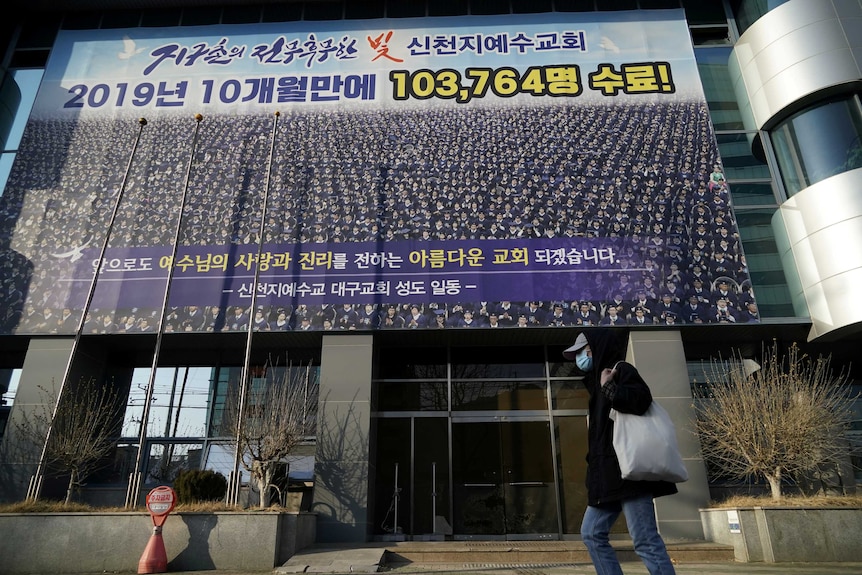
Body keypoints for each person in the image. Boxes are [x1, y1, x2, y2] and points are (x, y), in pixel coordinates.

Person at [562, 329, 678, 575]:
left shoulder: (620, 370)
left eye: (583, 352)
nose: (580, 359)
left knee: (644, 540)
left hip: (630, 473)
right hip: (608, 477)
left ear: (595, 348)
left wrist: (608, 387)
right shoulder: (595, 384)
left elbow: (640, 401)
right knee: (591, 534)